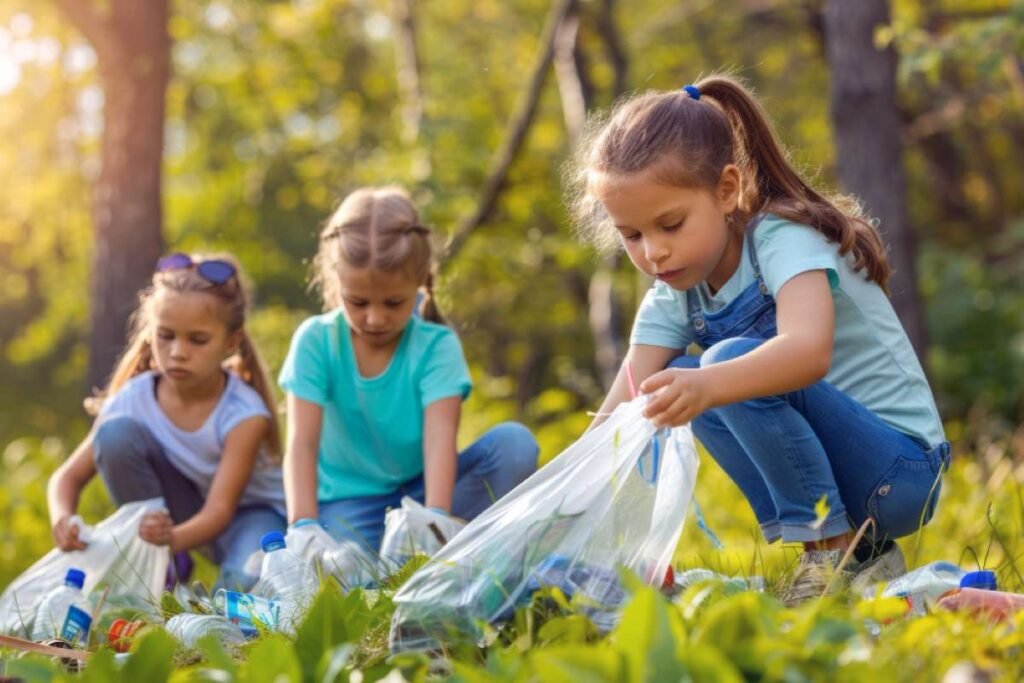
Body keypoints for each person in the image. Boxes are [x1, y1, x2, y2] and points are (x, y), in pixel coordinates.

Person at [565, 76, 949, 604]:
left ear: (725, 190)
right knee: (675, 380)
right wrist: (558, 515)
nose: (653, 252)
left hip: (900, 471)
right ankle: (861, 562)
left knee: (719, 365)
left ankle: (829, 555)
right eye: (632, 235)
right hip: (853, 486)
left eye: (670, 224)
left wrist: (710, 384)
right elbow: (620, 409)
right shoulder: (675, 288)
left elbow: (807, 351)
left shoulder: (782, 239)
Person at [279, 186, 539, 552]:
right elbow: (301, 444)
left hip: (423, 493)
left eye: (393, 302)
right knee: (347, 570)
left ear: (419, 282)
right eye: (358, 302)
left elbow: (440, 438)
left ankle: (461, 543)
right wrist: (302, 526)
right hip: (350, 505)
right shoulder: (315, 342)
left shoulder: (436, 346)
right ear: (335, 282)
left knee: (514, 445)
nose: (375, 318)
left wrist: (432, 521)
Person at [47, 253, 286, 590]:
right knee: (114, 436)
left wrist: (167, 538)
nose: (177, 352)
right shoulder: (135, 397)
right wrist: (62, 518)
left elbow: (220, 510)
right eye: (166, 336)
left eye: (197, 340)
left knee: (241, 586)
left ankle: (195, 568)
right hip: (186, 509)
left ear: (231, 342)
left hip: (251, 516)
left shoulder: (244, 413)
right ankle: (168, 570)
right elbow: (67, 477)